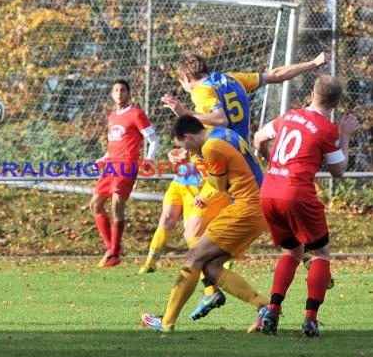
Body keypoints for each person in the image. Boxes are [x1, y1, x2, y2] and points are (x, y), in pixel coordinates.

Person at [139, 52, 331, 321]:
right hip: (240, 163)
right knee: (207, 254)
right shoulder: (231, 79)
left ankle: (189, 306)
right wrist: (312, 63)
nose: (184, 89)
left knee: (193, 237)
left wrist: (186, 114)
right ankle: (258, 295)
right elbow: (275, 75)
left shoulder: (201, 93)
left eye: (182, 83)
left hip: (231, 178)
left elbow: (219, 119)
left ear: (187, 78)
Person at [141, 116, 270, 333]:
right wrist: (192, 158)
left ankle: (166, 323)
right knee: (211, 266)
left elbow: (216, 185)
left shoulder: (211, 147)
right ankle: (263, 306)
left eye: (185, 145)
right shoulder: (220, 133)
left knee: (194, 257)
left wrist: (201, 192)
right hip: (257, 205)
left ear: (189, 136)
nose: (187, 151)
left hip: (246, 208)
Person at [253, 75, 359, 337]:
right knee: (321, 254)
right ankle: (310, 319)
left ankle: (273, 312)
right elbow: (338, 170)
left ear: (312, 94)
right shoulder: (327, 130)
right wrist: (345, 135)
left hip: (269, 191)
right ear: (335, 103)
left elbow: (258, 138)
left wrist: (273, 164)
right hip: (296, 194)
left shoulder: (289, 116)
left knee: (292, 253)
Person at [90, 79, 159, 267]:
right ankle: (112, 248)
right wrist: (102, 160)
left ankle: (114, 251)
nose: (119, 93)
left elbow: (153, 140)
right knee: (95, 204)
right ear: (112, 94)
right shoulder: (112, 116)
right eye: (116, 90)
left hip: (126, 165)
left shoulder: (136, 114)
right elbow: (112, 147)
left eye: (122, 90)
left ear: (129, 94)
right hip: (111, 166)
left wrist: (148, 160)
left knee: (116, 206)